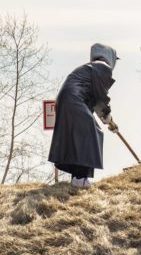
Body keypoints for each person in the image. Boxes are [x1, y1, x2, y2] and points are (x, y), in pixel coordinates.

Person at [48, 43, 118, 188]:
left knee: (79, 136)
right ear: (110, 57)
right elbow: (101, 97)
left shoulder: (91, 67)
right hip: (75, 100)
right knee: (91, 133)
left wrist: (109, 121)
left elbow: (97, 101)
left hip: (66, 100)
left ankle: (77, 178)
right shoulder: (103, 67)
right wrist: (108, 116)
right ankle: (81, 178)